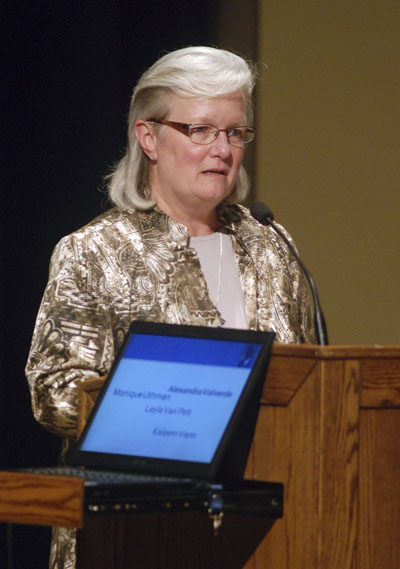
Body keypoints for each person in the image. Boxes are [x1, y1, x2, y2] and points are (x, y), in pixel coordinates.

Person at [26, 46, 316, 569]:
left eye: (235, 132)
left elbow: (308, 378)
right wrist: (172, 407)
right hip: (134, 534)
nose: (222, 149)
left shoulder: (272, 246)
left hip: (266, 530)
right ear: (148, 138)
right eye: (201, 130)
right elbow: (54, 393)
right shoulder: (95, 251)